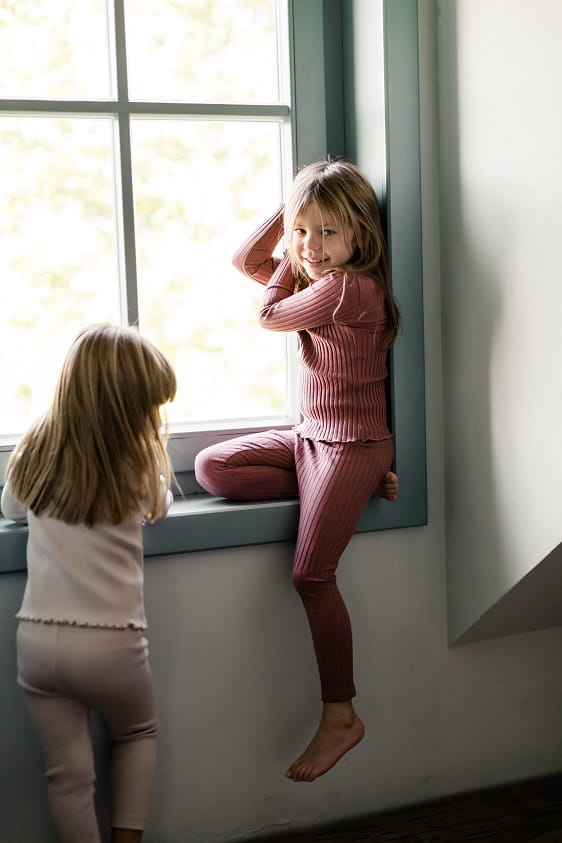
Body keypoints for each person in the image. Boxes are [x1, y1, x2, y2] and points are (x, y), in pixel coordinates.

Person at [194, 159, 401, 783]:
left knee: (312, 575)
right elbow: (245, 261)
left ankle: (342, 715)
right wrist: (295, 205)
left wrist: (292, 244)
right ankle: (347, 492)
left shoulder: (347, 288)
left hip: (353, 443)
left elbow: (267, 313)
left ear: (360, 236)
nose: (311, 247)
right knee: (212, 467)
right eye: (303, 232)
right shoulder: (321, 278)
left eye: (328, 233)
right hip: (312, 438)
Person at [1, 324, 177, 843]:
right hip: (110, 643)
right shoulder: (137, 462)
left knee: (68, 777)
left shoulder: (36, 452)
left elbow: (11, 506)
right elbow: (159, 506)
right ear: (132, 406)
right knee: (137, 732)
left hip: (35, 641)